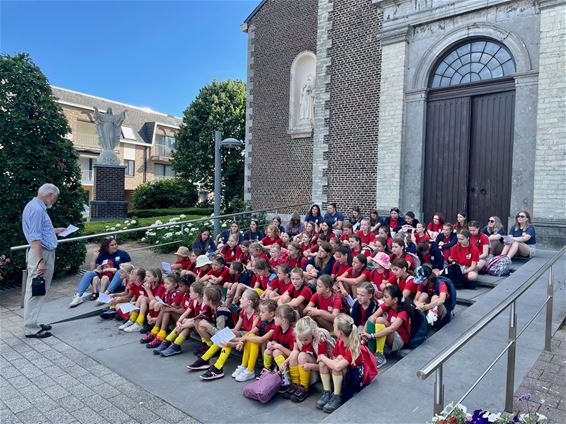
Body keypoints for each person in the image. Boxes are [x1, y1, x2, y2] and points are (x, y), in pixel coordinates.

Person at [22, 183, 65, 338]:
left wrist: (54, 231)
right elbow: (34, 237)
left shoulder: (34, 207)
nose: (54, 200)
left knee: (36, 291)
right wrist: (40, 261)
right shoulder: (37, 210)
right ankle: (31, 328)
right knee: (36, 290)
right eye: (55, 197)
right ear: (50, 195)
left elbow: (38, 231)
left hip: (41, 253)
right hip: (41, 254)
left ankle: (32, 322)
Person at [316, 313, 364, 413]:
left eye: (334, 325)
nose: (332, 326)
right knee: (322, 364)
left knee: (334, 366)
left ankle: (337, 396)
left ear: (340, 332)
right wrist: (335, 358)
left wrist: (322, 357)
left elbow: (337, 367)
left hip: (355, 376)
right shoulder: (339, 340)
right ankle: (327, 392)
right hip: (345, 370)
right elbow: (334, 358)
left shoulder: (352, 346)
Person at [70, 237, 131, 307]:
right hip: (104, 281)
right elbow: (94, 270)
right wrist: (94, 260)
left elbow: (129, 269)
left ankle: (106, 294)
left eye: (115, 244)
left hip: (118, 281)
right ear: (107, 247)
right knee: (88, 273)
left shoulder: (123, 254)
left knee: (119, 271)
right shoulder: (102, 255)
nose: (115, 246)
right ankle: (78, 295)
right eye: (112, 245)